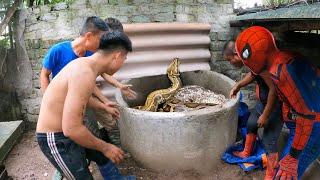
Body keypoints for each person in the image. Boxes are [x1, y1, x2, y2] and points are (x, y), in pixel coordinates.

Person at [39, 16, 135, 179]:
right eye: (124, 59)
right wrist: (106, 147)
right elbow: (72, 129)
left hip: (67, 130)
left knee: (99, 152)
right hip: (57, 138)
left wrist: (102, 106)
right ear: (117, 56)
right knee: (86, 171)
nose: (122, 64)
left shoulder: (86, 66)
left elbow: (79, 97)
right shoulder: (84, 72)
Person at [235, 26, 320, 180]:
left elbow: (307, 116)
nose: (247, 65)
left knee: (285, 174)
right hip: (302, 126)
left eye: (246, 59)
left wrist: (293, 157)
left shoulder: (281, 71)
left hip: (312, 128)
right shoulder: (281, 60)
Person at [223, 40, 283, 179]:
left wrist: (265, 115)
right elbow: (253, 75)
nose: (230, 63)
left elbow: (273, 90)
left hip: (277, 104)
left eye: (229, 60)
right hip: (264, 102)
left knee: (269, 140)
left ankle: (271, 174)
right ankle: (246, 153)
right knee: (251, 123)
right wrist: (238, 85)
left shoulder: (259, 61)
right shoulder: (252, 61)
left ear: (237, 54)